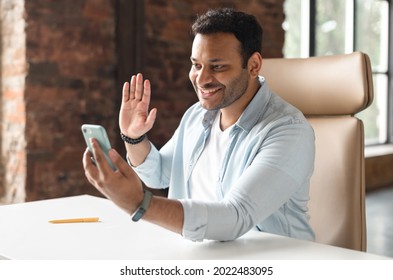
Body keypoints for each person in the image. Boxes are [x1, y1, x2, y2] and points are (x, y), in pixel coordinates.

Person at [83, 8, 315, 242]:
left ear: (253, 65)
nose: (201, 79)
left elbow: (236, 217)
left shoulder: (289, 131)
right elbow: (160, 175)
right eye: (196, 65)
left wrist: (139, 205)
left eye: (217, 66)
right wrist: (134, 138)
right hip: (202, 255)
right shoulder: (197, 116)